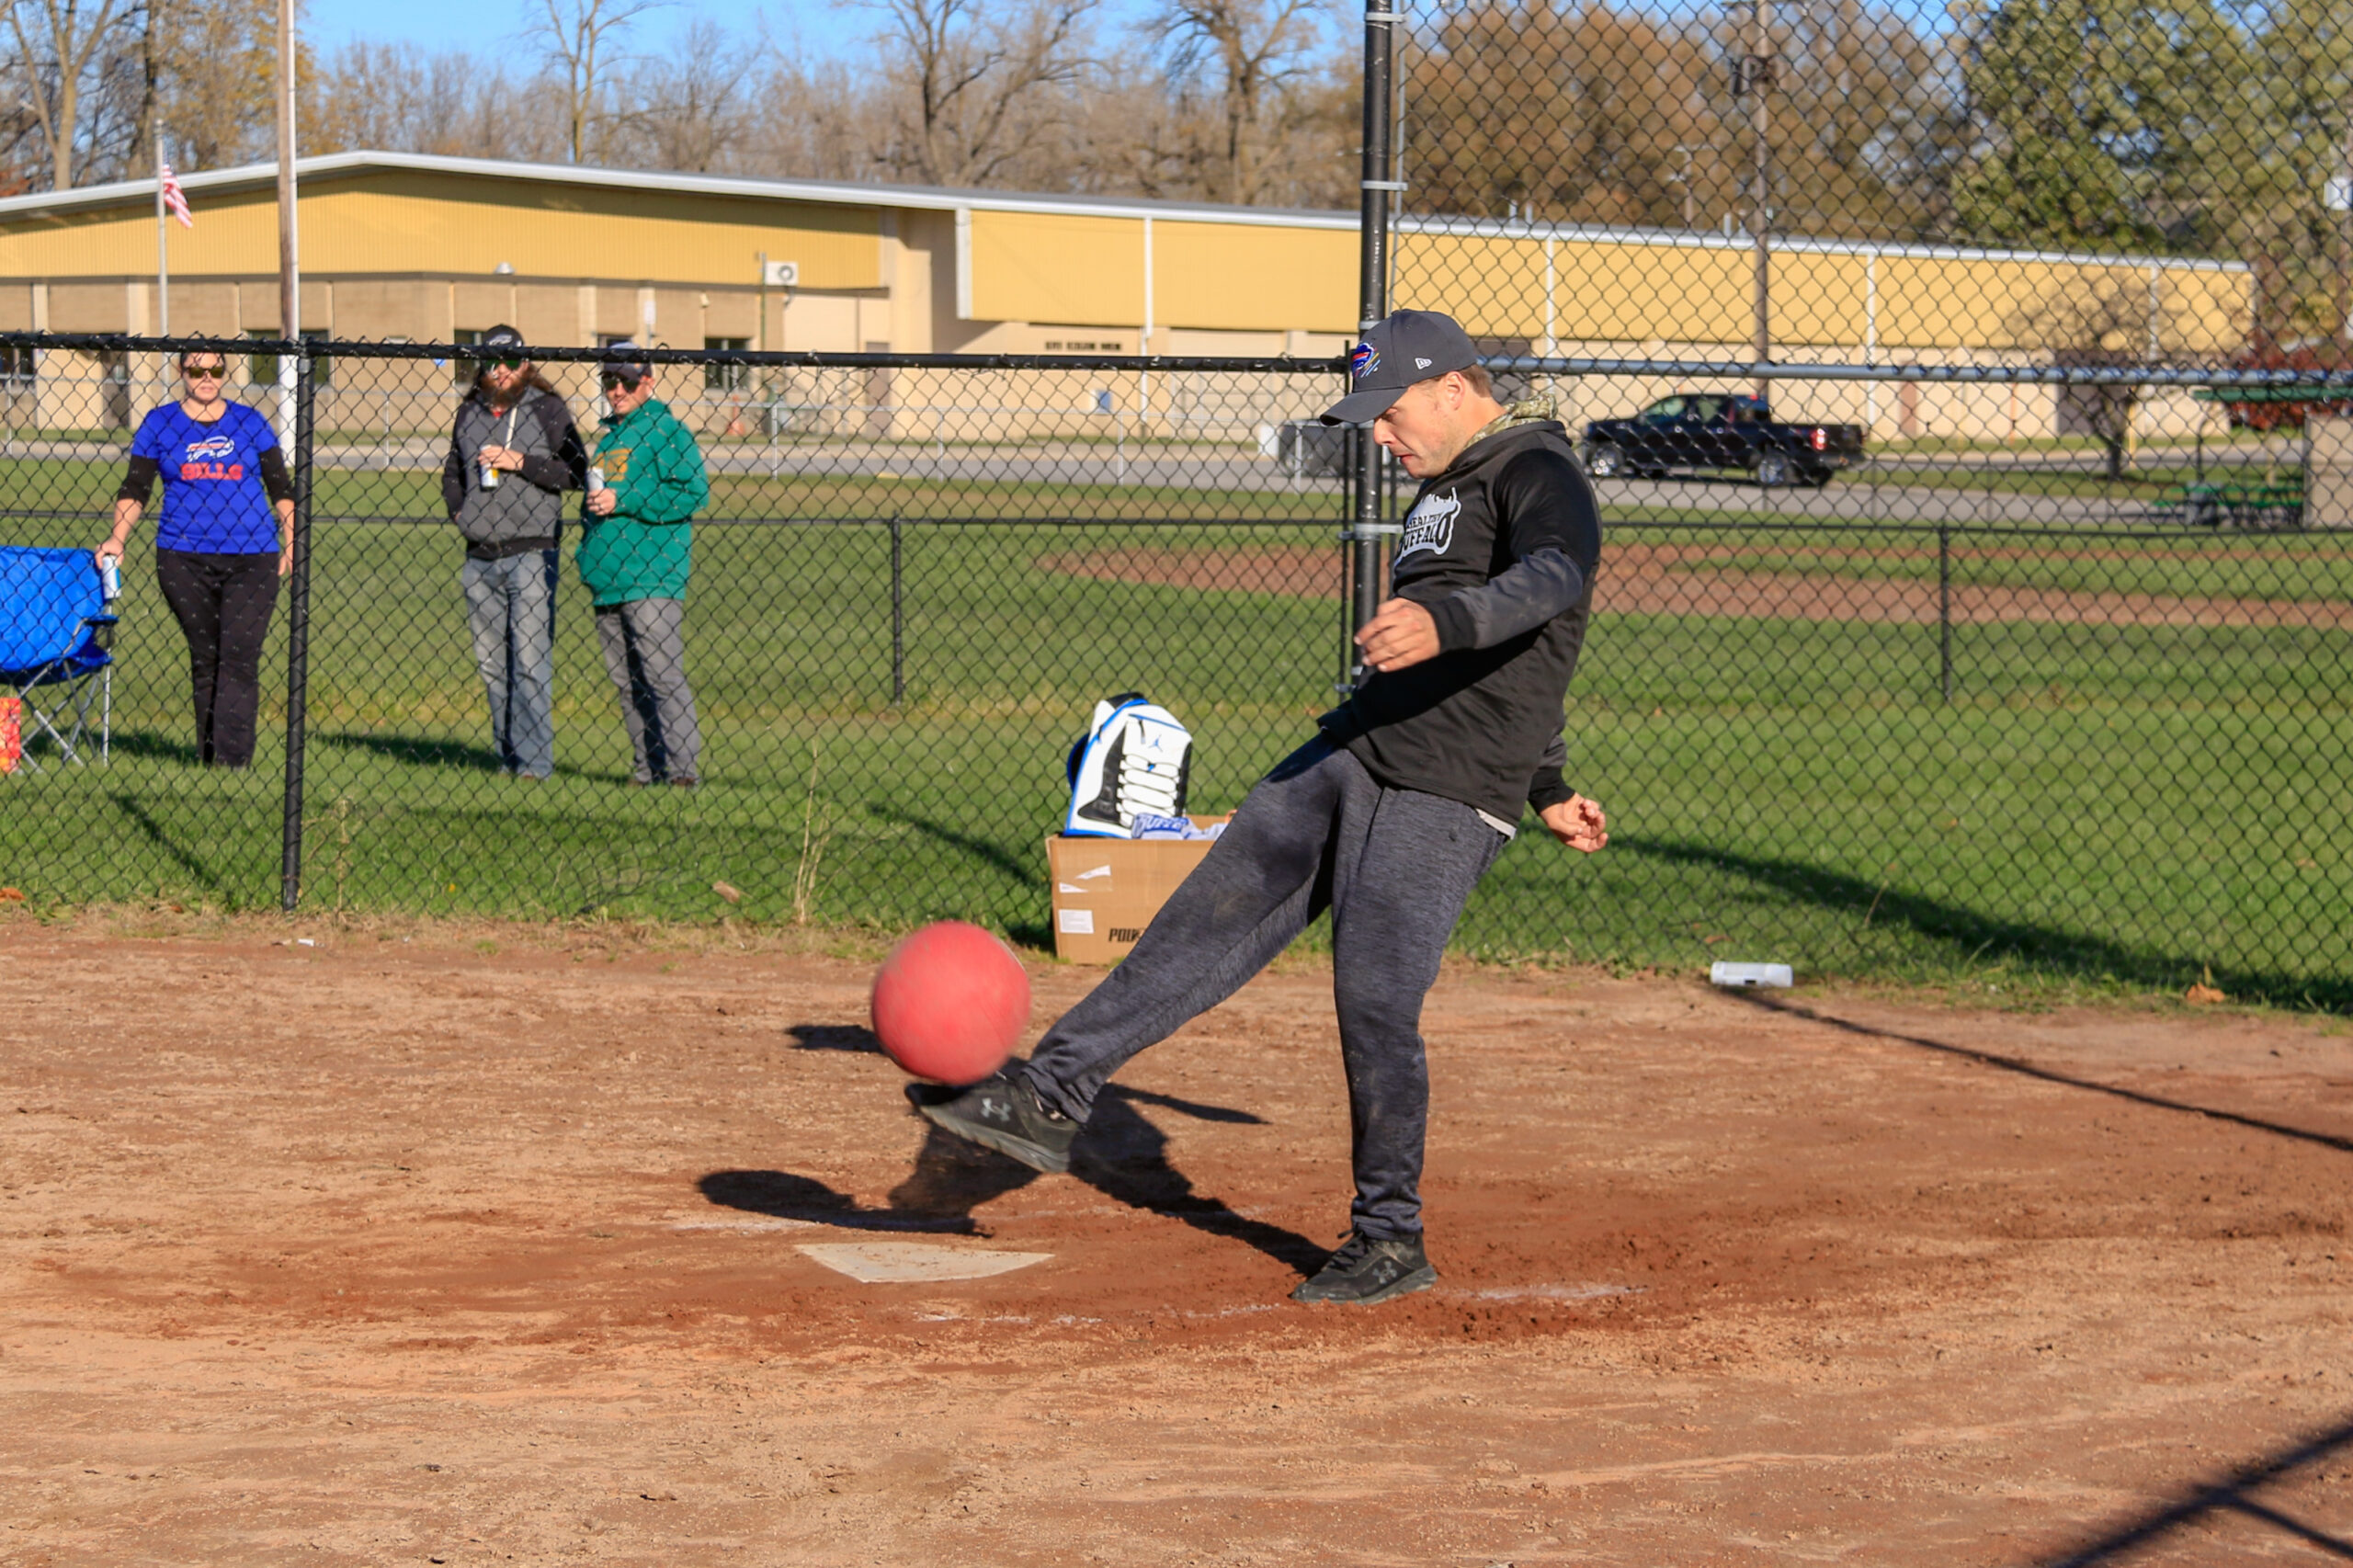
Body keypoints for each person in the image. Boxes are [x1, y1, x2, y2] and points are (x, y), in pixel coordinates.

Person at [919, 309, 1610, 1306]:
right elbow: (1525, 669)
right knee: (1207, 914)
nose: (1378, 436)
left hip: (1447, 788)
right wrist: (1551, 783)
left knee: (1373, 1002)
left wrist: (1451, 632)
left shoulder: (1537, 470)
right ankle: (1049, 1092)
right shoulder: (1443, 488)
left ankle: (1388, 1236)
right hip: (1357, 746)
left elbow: (1554, 582)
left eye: (1390, 412)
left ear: (1455, 389)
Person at [95, 348, 295, 769]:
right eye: (197, 369)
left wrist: (292, 540)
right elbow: (136, 488)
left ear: (226, 373)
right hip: (182, 557)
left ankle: (232, 763)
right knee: (206, 657)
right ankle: (210, 760)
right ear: (181, 372)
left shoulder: (250, 422)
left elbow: (281, 486)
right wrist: (117, 537)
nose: (207, 376)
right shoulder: (159, 423)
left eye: (216, 369)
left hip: (253, 555)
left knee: (238, 654)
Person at [441, 324, 587, 780]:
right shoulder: (469, 413)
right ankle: (507, 757)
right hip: (479, 554)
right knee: (491, 667)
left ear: (526, 363)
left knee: (528, 661)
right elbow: (451, 469)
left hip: (532, 554)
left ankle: (535, 765)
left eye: (510, 361)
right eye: (492, 362)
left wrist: (519, 462)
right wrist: (459, 512)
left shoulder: (547, 409)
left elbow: (577, 472)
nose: (500, 370)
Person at [578, 343, 710, 787]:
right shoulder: (610, 437)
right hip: (609, 577)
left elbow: (694, 493)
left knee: (661, 675)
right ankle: (646, 769)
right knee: (627, 682)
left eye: (627, 381)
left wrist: (626, 499)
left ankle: (683, 773)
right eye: (609, 381)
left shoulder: (667, 431)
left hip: (651, 574)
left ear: (648, 382)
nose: (617, 390)